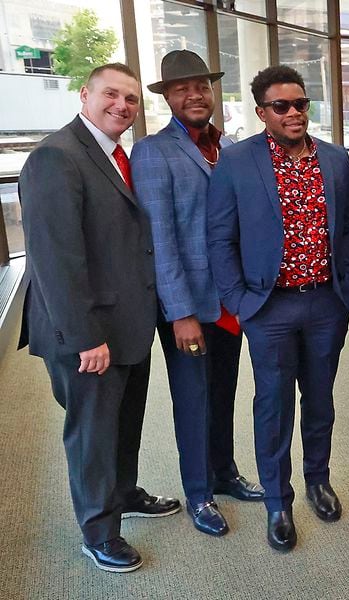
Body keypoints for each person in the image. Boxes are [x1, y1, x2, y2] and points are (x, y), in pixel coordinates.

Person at [18, 63, 180, 573]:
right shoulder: (56, 157)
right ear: (85, 95)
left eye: (131, 99)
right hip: (88, 333)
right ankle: (98, 531)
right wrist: (86, 337)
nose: (122, 106)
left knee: (123, 421)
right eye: (112, 94)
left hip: (127, 323)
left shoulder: (114, 156)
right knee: (91, 434)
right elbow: (55, 260)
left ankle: (124, 493)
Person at [206, 65, 349, 552]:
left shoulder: (334, 160)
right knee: (272, 406)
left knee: (320, 400)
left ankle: (318, 480)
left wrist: (348, 285)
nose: (294, 113)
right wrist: (239, 302)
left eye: (301, 104)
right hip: (267, 307)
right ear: (261, 113)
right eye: (281, 106)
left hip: (325, 304)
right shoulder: (236, 162)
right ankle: (278, 500)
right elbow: (219, 237)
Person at [131, 50, 264, 538]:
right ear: (167, 96)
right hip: (188, 306)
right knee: (193, 397)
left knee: (224, 390)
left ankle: (225, 473)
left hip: (230, 302)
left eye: (202, 86)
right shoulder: (152, 152)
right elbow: (160, 240)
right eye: (182, 87)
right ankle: (199, 491)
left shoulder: (227, 147)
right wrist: (180, 313)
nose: (194, 94)